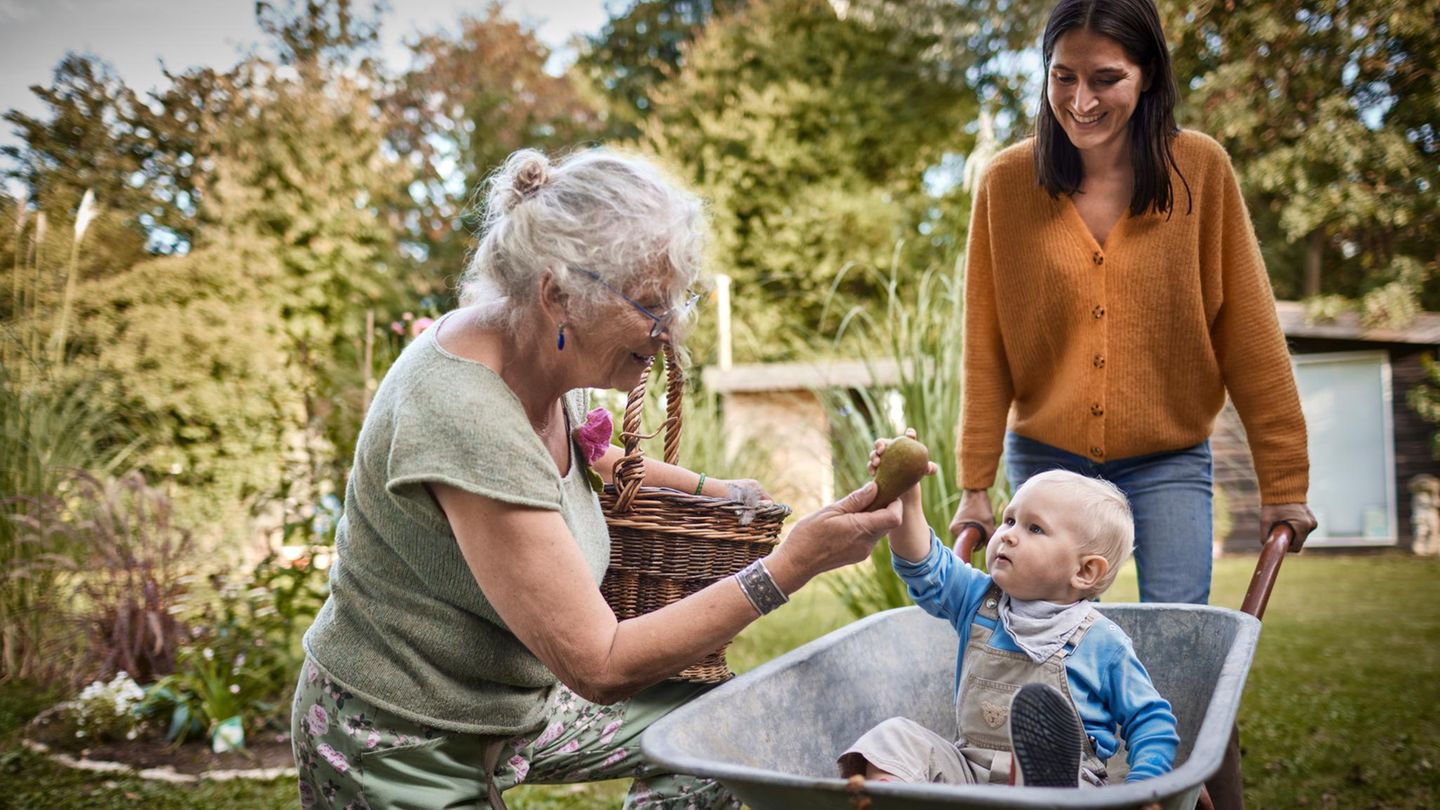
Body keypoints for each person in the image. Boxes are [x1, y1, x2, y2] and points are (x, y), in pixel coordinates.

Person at [290, 147, 904, 810]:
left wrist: (717, 491)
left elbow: (605, 461)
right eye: (649, 305)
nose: (673, 331)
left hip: (519, 710)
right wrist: (790, 565)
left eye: (677, 300)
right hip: (401, 738)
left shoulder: (550, 369)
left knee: (723, 730)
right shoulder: (464, 416)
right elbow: (601, 665)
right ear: (558, 293)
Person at [948, 0, 1318, 606]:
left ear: (1147, 75)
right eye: (1063, 76)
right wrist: (974, 485)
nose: (1080, 101)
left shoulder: (1200, 170)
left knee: (1176, 633)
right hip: (1047, 460)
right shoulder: (1005, 185)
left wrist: (1283, 480)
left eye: (1106, 79)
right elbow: (986, 348)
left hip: (1167, 461)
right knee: (1047, 643)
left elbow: (1248, 335)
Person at [840, 449, 1180, 788]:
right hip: (970, 774)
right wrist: (907, 499)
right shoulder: (977, 600)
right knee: (894, 736)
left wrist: (1143, 788)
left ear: (1085, 570)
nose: (1008, 535)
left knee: (1067, 785)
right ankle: (892, 798)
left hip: (1070, 784)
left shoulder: (1103, 644)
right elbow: (924, 567)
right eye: (1009, 520)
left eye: (1034, 528)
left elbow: (1150, 721)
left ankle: (1045, 789)